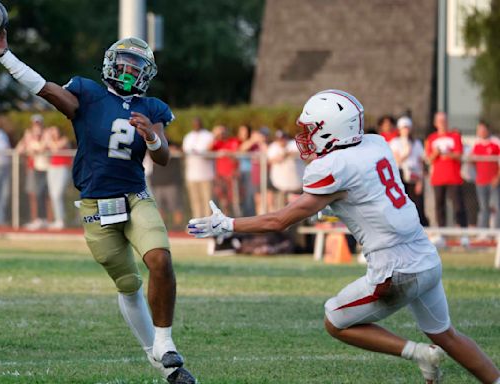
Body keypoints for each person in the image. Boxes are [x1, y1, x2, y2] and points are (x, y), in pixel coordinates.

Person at [188, 90, 500, 384]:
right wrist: (326, 208)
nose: (305, 137)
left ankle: (419, 354)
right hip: (427, 258)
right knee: (446, 334)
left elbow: (278, 220)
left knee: (335, 320)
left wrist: (228, 224)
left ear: (331, 130)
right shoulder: (375, 144)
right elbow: (364, 196)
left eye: (311, 129)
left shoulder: (334, 166)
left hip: (395, 270)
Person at [0, 30, 195, 383]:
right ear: (110, 64)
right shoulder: (88, 93)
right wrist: (5, 55)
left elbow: (164, 157)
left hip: (134, 195)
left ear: (146, 74)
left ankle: (165, 342)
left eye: (135, 66)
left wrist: (152, 136)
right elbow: (43, 87)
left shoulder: (151, 106)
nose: (128, 70)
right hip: (96, 204)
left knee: (160, 258)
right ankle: (158, 361)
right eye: (123, 63)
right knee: (128, 284)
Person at [425, 112, 468, 247]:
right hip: (438, 178)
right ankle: (441, 234)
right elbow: (429, 159)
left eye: (444, 120)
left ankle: (463, 234)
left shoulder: (455, 136)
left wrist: (448, 154)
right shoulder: (431, 138)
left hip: (454, 177)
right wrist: (436, 154)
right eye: (439, 120)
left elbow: (459, 154)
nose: (442, 123)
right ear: (435, 123)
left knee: (458, 206)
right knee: (439, 207)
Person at [389, 116, 428, 226]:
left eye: (407, 127)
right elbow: (397, 160)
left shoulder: (416, 143)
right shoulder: (395, 142)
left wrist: (420, 181)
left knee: (416, 203)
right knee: (400, 202)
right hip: (400, 174)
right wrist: (406, 151)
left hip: (414, 174)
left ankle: (418, 226)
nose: (406, 130)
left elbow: (420, 162)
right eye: (403, 128)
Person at [16, 115, 50, 230]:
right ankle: (36, 219)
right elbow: (19, 150)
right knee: (34, 194)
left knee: (46, 195)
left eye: (38, 123)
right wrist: (27, 140)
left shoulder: (46, 134)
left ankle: (47, 220)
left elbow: (44, 147)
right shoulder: (28, 135)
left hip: (46, 168)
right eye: (35, 123)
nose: (37, 126)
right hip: (33, 168)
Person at [471, 120, 500, 236]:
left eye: (483, 129)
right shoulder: (476, 144)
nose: (481, 132)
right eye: (479, 130)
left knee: (497, 208)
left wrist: (497, 177)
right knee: (484, 208)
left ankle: (497, 234)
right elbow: (472, 161)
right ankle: (483, 234)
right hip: (481, 182)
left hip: (494, 182)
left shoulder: (496, 143)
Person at [182, 117, 214, 219]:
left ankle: (208, 222)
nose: (196, 125)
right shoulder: (188, 136)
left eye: (198, 123)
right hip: (191, 174)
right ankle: (197, 221)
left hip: (206, 174)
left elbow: (210, 151)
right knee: (195, 200)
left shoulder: (209, 136)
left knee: (207, 200)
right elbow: (184, 152)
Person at [44, 126, 72, 230]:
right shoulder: (49, 141)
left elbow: (56, 148)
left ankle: (61, 220)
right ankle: (58, 220)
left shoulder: (64, 140)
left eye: (54, 130)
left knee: (57, 194)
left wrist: (48, 139)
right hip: (52, 168)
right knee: (52, 195)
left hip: (62, 169)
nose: (53, 133)